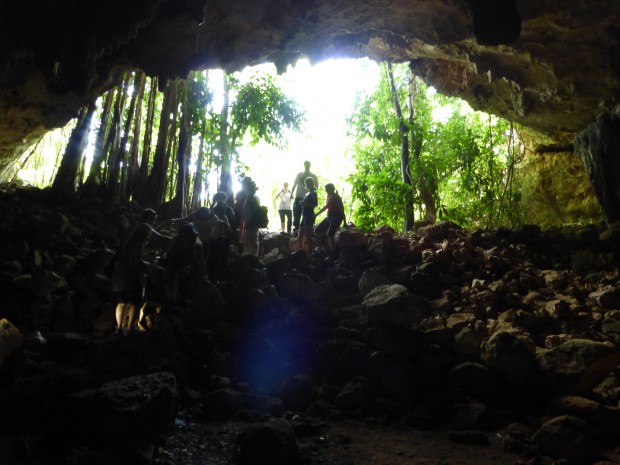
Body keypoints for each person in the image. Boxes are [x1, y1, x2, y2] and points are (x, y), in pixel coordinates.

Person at [112, 210, 161, 336]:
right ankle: (129, 328)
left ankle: (119, 328)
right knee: (135, 302)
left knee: (122, 301)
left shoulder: (132, 230)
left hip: (120, 272)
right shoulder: (141, 233)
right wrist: (147, 264)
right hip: (131, 274)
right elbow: (136, 259)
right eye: (153, 219)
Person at [164, 223, 207, 305]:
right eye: (188, 238)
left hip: (190, 268)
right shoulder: (177, 241)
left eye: (192, 238)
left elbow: (201, 260)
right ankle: (173, 302)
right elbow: (169, 255)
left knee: (188, 288)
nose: (191, 241)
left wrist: (204, 275)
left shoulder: (197, 245)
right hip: (175, 266)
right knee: (174, 287)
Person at [316, 183, 348, 255]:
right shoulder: (329, 196)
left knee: (330, 234)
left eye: (327, 189)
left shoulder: (337, 197)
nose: (326, 191)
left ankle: (334, 253)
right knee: (317, 230)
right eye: (326, 190)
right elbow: (326, 207)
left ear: (331, 189)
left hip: (337, 218)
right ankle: (324, 248)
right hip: (329, 218)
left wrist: (344, 222)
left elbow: (341, 209)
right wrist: (316, 215)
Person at [210, 192, 234, 281]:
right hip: (216, 236)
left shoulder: (227, 209)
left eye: (220, 199)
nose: (219, 201)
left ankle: (222, 274)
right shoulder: (215, 209)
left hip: (223, 236)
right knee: (218, 255)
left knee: (222, 255)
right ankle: (220, 274)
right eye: (217, 199)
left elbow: (232, 223)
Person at [290, 161, 318, 233]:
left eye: (307, 165)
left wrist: (312, 193)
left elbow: (317, 186)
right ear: (304, 165)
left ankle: (305, 230)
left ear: (309, 165)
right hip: (299, 196)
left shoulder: (313, 175)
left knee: (306, 213)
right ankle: (297, 228)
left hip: (308, 197)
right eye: (306, 165)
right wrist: (291, 194)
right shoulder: (299, 175)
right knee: (297, 212)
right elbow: (294, 184)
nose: (306, 166)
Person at [298, 176, 318, 254]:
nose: (307, 185)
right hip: (304, 215)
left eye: (308, 183)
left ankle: (309, 254)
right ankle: (301, 252)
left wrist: (305, 204)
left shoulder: (313, 193)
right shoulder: (307, 193)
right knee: (300, 236)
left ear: (311, 184)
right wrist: (302, 203)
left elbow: (315, 204)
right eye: (306, 183)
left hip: (309, 215)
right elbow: (306, 203)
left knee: (308, 237)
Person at [241, 180, 261, 256]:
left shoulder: (252, 199)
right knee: (251, 244)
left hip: (251, 225)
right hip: (250, 225)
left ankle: (252, 261)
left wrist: (249, 224)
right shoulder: (250, 198)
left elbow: (254, 213)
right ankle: (251, 259)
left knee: (250, 244)